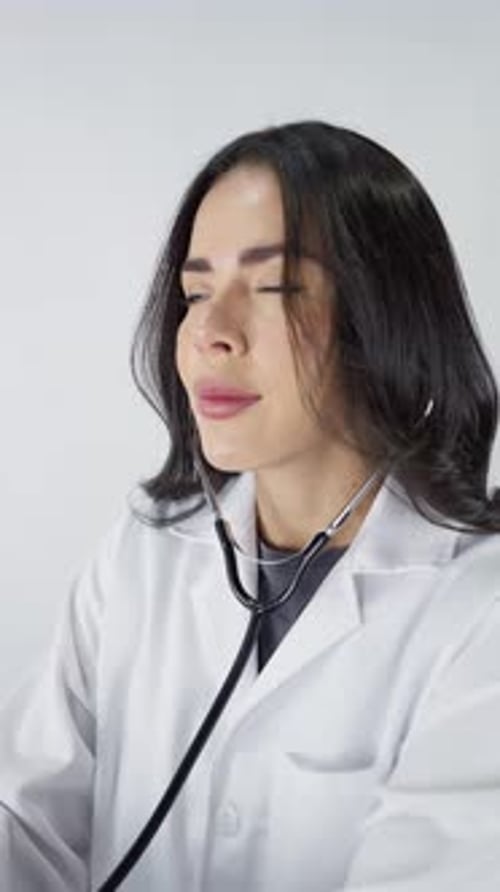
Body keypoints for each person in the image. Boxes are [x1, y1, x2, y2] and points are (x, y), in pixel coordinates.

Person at [1, 120, 500, 892]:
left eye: (271, 288)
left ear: (387, 315)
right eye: (196, 293)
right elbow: (26, 822)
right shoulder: (146, 554)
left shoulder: (479, 610)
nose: (210, 332)